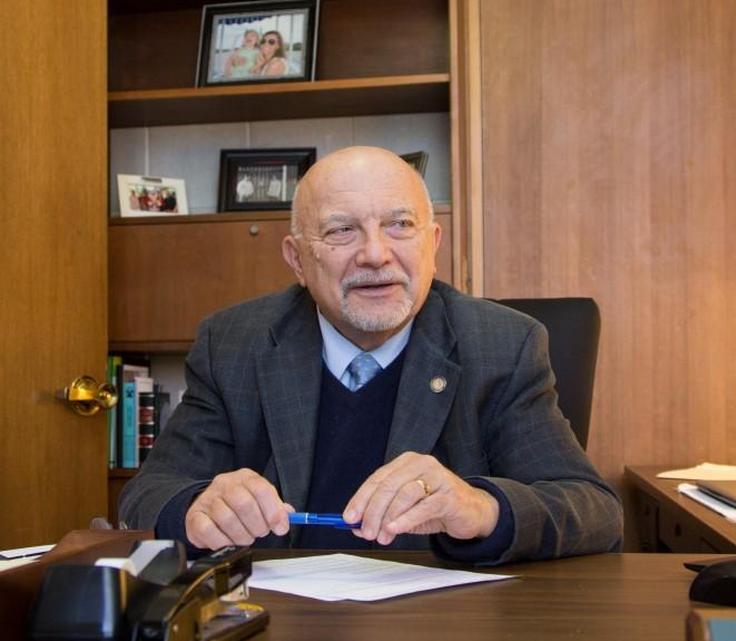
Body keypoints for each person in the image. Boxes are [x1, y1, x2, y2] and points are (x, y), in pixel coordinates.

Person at [119, 146, 622, 565]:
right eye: (342, 230)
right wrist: (197, 509)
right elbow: (147, 494)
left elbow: (595, 511)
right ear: (297, 259)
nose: (376, 254)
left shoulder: (502, 345)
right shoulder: (233, 343)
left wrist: (481, 508)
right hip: (277, 616)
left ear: (432, 244)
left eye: (400, 225)